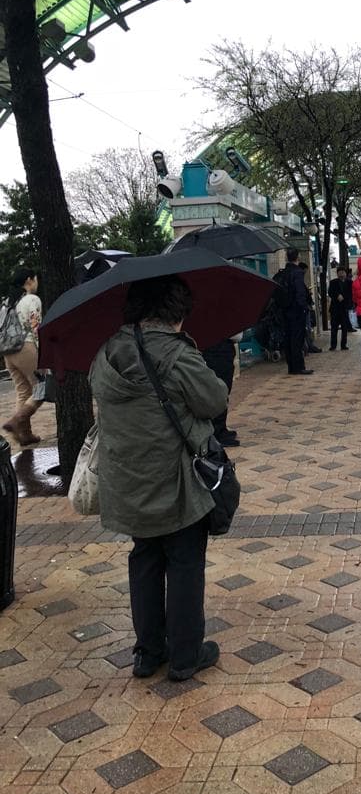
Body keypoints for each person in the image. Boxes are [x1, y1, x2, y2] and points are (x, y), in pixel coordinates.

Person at [89, 275, 229, 681]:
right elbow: (213, 399)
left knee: (145, 560)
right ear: (175, 310)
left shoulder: (107, 352)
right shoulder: (175, 353)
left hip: (127, 482)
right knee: (185, 561)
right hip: (175, 480)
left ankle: (148, 653)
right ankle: (186, 655)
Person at [1, 269, 43, 447]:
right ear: (29, 280)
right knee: (44, 386)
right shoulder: (31, 299)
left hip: (8, 351)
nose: (37, 282)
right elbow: (35, 326)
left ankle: (24, 434)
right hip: (25, 346)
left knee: (23, 391)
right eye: (36, 279)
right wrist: (42, 351)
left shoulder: (7, 303)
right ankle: (18, 419)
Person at [201, 334, 241, 446]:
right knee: (220, 391)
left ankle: (221, 428)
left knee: (224, 389)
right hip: (218, 346)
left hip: (221, 345)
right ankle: (217, 431)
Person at [279, 248, 313, 375]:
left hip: (285, 310)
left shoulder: (283, 273)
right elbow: (300, 293)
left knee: (288, 337)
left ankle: (291, 367)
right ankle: (299, 366)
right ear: (298, 257)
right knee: (297, 338)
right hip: (296, 311)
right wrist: (304, 307)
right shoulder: (297, 272)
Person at [298, 261, 322, 354]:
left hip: (304, 308)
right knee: (306, 328)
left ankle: (308, 346)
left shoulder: (299, 280)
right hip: (303, 309)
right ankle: (308, 346)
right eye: (305, 271)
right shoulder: (298, 279)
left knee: (307, 327)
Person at [328, 266, 352, 350]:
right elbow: (330, 292)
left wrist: (344, 296)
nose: (341, 273)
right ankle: (333, 345)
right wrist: (337, 295)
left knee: (344, 328)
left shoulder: (350, 282)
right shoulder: (333, 282)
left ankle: (343, 345)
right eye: (339, 272)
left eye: (343, 272)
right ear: (337, 273)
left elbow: (351, 293)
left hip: (344, 308)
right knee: (334, 328)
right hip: (335, 308)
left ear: (345, 273)